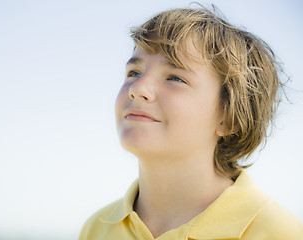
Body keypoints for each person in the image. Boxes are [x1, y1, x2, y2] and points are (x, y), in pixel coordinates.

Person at [79, 4, 303, 240]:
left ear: (230, 118)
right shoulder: (96, 228)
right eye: (134, 72)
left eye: (175, 77)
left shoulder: (278, 232)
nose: (137, 88)